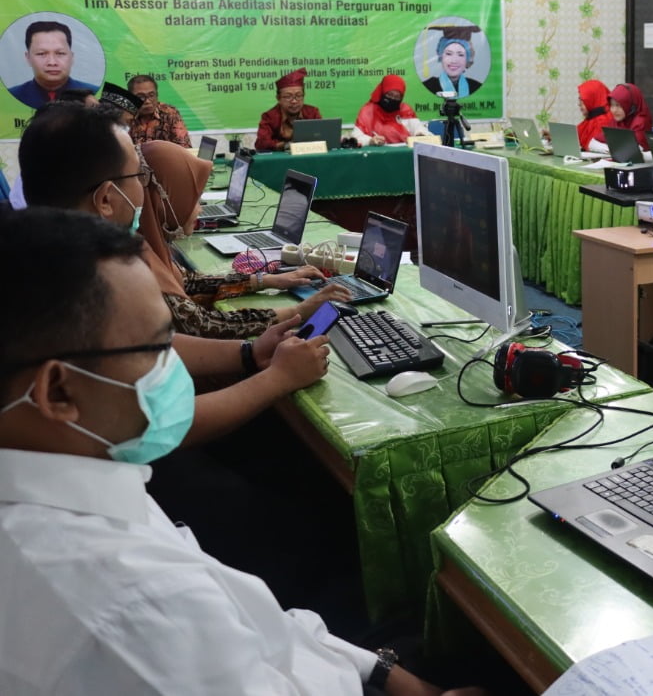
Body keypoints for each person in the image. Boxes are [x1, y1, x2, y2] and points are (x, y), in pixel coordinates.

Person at [0, 208, 479, 696]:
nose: (175, 365)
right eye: (158, 346)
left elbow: (253, 615)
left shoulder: (89, 477)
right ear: (59, 391)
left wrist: (388, 673)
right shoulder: (133, 604)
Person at [18, 102, 330, 445]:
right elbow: (154, 424)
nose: (146, 187)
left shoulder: (50, 259)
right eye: (140, 176)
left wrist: (248, 352)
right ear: (106, 198)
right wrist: (278, 378)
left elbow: (153, 345)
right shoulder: (86, 288)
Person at [140, 140, 351, 339]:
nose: (200, 209)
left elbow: (191, 283)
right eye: (194, 199)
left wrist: (266, 280)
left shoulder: (151, 246)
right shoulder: (142, 267)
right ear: (166, 200)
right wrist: (299, 312)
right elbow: (203, 325)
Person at [6, 20, 97, 108]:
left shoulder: (95, 95)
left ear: (71, 57)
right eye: (41, 54)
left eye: (60, 53)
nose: (52, 62)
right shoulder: (11, 96)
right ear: (28, 58)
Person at [257, 68, 321, 152]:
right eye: (288, 96)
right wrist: (286, 145)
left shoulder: (312, 113)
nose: (294, 101)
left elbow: (322, 137)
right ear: (278, 98)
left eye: (299, 96)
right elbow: (261, 143)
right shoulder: (269, 117)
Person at [354, 75, 429, 146]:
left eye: (397, 96)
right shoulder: (368, 111)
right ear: (382, 92)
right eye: (389, 94)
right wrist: (370, 140)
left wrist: (420, 135)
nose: (393, 99)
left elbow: (419, 128)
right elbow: (356, 137)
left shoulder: (405, 109)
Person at [127, 74, 191, 147]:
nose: (147, 101)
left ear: (157, 95)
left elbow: (184, 146)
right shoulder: (124, 116)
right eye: (141, 97)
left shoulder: (170, 113)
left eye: (151, 95)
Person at [423, 26, 484, 98]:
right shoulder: (427, 86)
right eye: (449, 54)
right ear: (441, 56)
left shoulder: (476, 87)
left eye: (460, 55)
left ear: (468, 59)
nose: (454, 60)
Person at [609, 82, 653, 150]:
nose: (614, 110)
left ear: (632, 106)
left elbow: (633, 149)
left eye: (619, 105)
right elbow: (594, 141)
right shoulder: (618, 120)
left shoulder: (641, 123)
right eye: (612, 105)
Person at [576, 79, 612, 153]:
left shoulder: (604, 122)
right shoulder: (589, 120)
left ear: (592, 99)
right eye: (579, 100)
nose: (579, 104)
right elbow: (573, 137)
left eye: (582, 100)